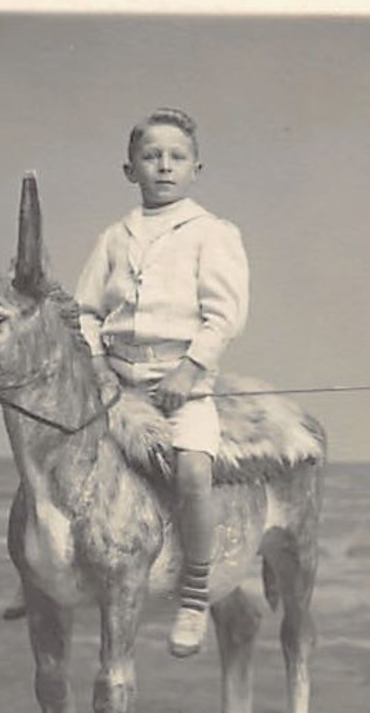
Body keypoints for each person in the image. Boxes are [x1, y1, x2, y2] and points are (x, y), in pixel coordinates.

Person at [75, 107, 250, 656]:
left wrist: (189, 370)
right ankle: (39, 569)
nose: (164, 167)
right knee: (60, 455)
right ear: (130, 169)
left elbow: (225, 315)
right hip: (116, 384)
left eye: (177, 157)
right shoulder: (113, 237)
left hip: (182, 386)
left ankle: (195, 597)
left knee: (193, 471)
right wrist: (99, 362)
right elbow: (83, 310)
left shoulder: (211, 233)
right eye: (151, 157)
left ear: (197, 167)